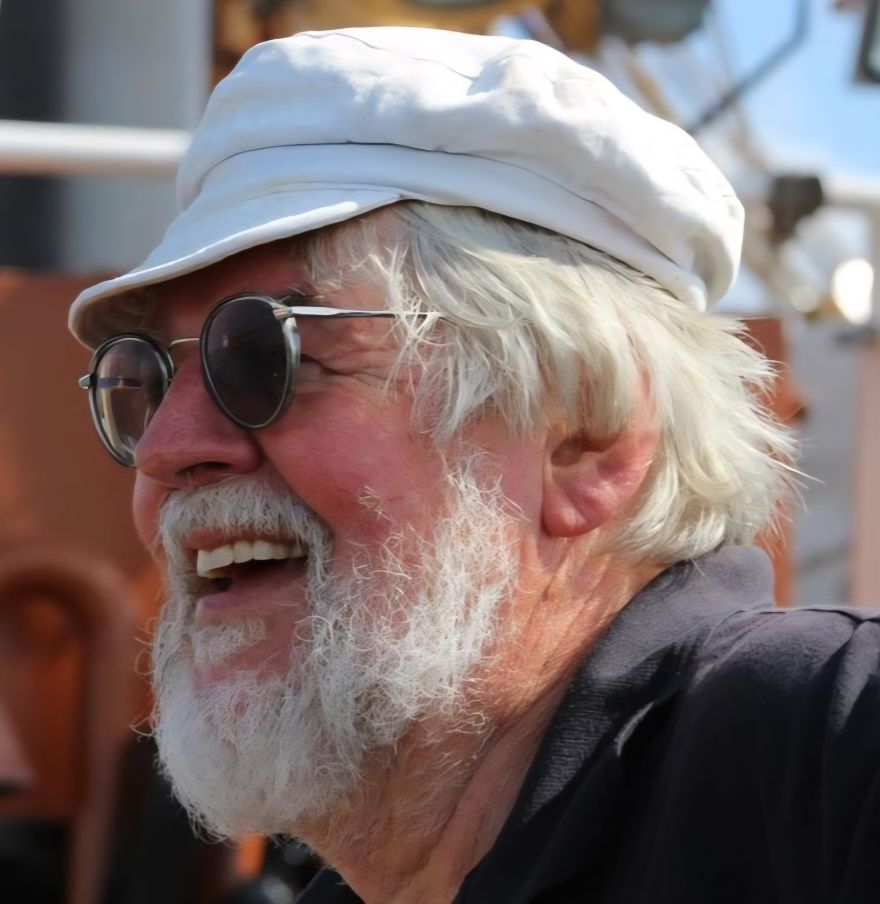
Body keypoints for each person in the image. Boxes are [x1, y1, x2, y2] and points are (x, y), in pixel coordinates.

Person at [69, 27, 880, 904]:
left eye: (267, 357)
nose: (166, 449)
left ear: (584, 435)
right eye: (144, 381)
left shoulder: (841, 750)